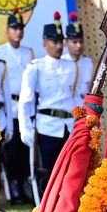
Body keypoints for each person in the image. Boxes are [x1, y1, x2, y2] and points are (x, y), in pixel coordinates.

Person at [17, 20, 82, 194]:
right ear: (45, 43)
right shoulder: (36, 67)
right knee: (50, 172)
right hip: (48, 127)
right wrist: (25, 128)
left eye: (61, 41)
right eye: (54, 41)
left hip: (69, 125)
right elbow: (26, 100)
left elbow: (75, 96)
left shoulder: (73, 66)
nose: (59, 46)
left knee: (71, 171)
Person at [0, 13, 33, 206]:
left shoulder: (29, 53)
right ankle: (14, 185)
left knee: (26, 150)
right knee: (11, 151)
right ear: (7, 30)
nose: (18, 32)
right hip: (9, 106)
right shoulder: (0, 52)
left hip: (24, 106)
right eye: (14, 28)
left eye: (20, 28)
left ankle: (26, 184)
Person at [63, 13, 96, 93]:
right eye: (75, 42)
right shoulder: (62, 62)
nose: (79, 46)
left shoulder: (89, 63)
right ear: (66, 44)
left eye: (81, 42)